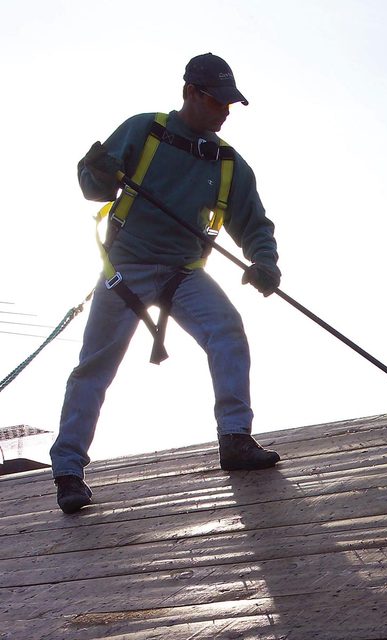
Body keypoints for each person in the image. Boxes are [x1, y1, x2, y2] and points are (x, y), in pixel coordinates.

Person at [50, 53, 281, 514]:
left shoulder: (230, 163)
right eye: (217, 101)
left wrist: (265, 261)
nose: (224, 112)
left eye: (230, 104)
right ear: (191, 93)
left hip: (184, 273)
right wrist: (96, 173)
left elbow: (253, 222)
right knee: (94, 367)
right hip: (125, 271)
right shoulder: (144, 129)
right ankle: (68, 473)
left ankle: (235, 438)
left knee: (227, 330)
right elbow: (94, 185)